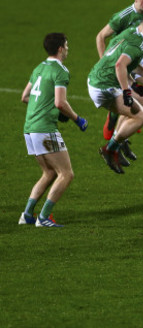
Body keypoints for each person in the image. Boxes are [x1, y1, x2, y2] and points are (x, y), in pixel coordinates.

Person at [20, 33, 88, 228]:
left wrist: (48, 108)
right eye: (66, 45)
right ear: (60, 48)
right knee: (66, 174)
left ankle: (27, 214)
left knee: (49, 173)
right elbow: (60, 102)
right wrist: (77, 119)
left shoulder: (39, 68)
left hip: (29, 129)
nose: (67, 49)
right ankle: (43, 218)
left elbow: (25, 96)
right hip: (44, 130)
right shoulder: (60, 71)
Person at [88, 15, 143, 174]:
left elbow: (132, 64)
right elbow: (119, 65)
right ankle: (110, 149)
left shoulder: (133, 33)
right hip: (104, 87)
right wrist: (127, 91)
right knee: (141, 117)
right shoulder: (136, 45)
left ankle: (120, 139)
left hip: (102, 80)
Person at [96, 0, 143, 145]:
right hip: (122, 60)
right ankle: (119, 122)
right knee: (139, 93)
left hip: (138, 59)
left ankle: (131, 115)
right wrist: (104, 61)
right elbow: (100, 36)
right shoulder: (123, 16)